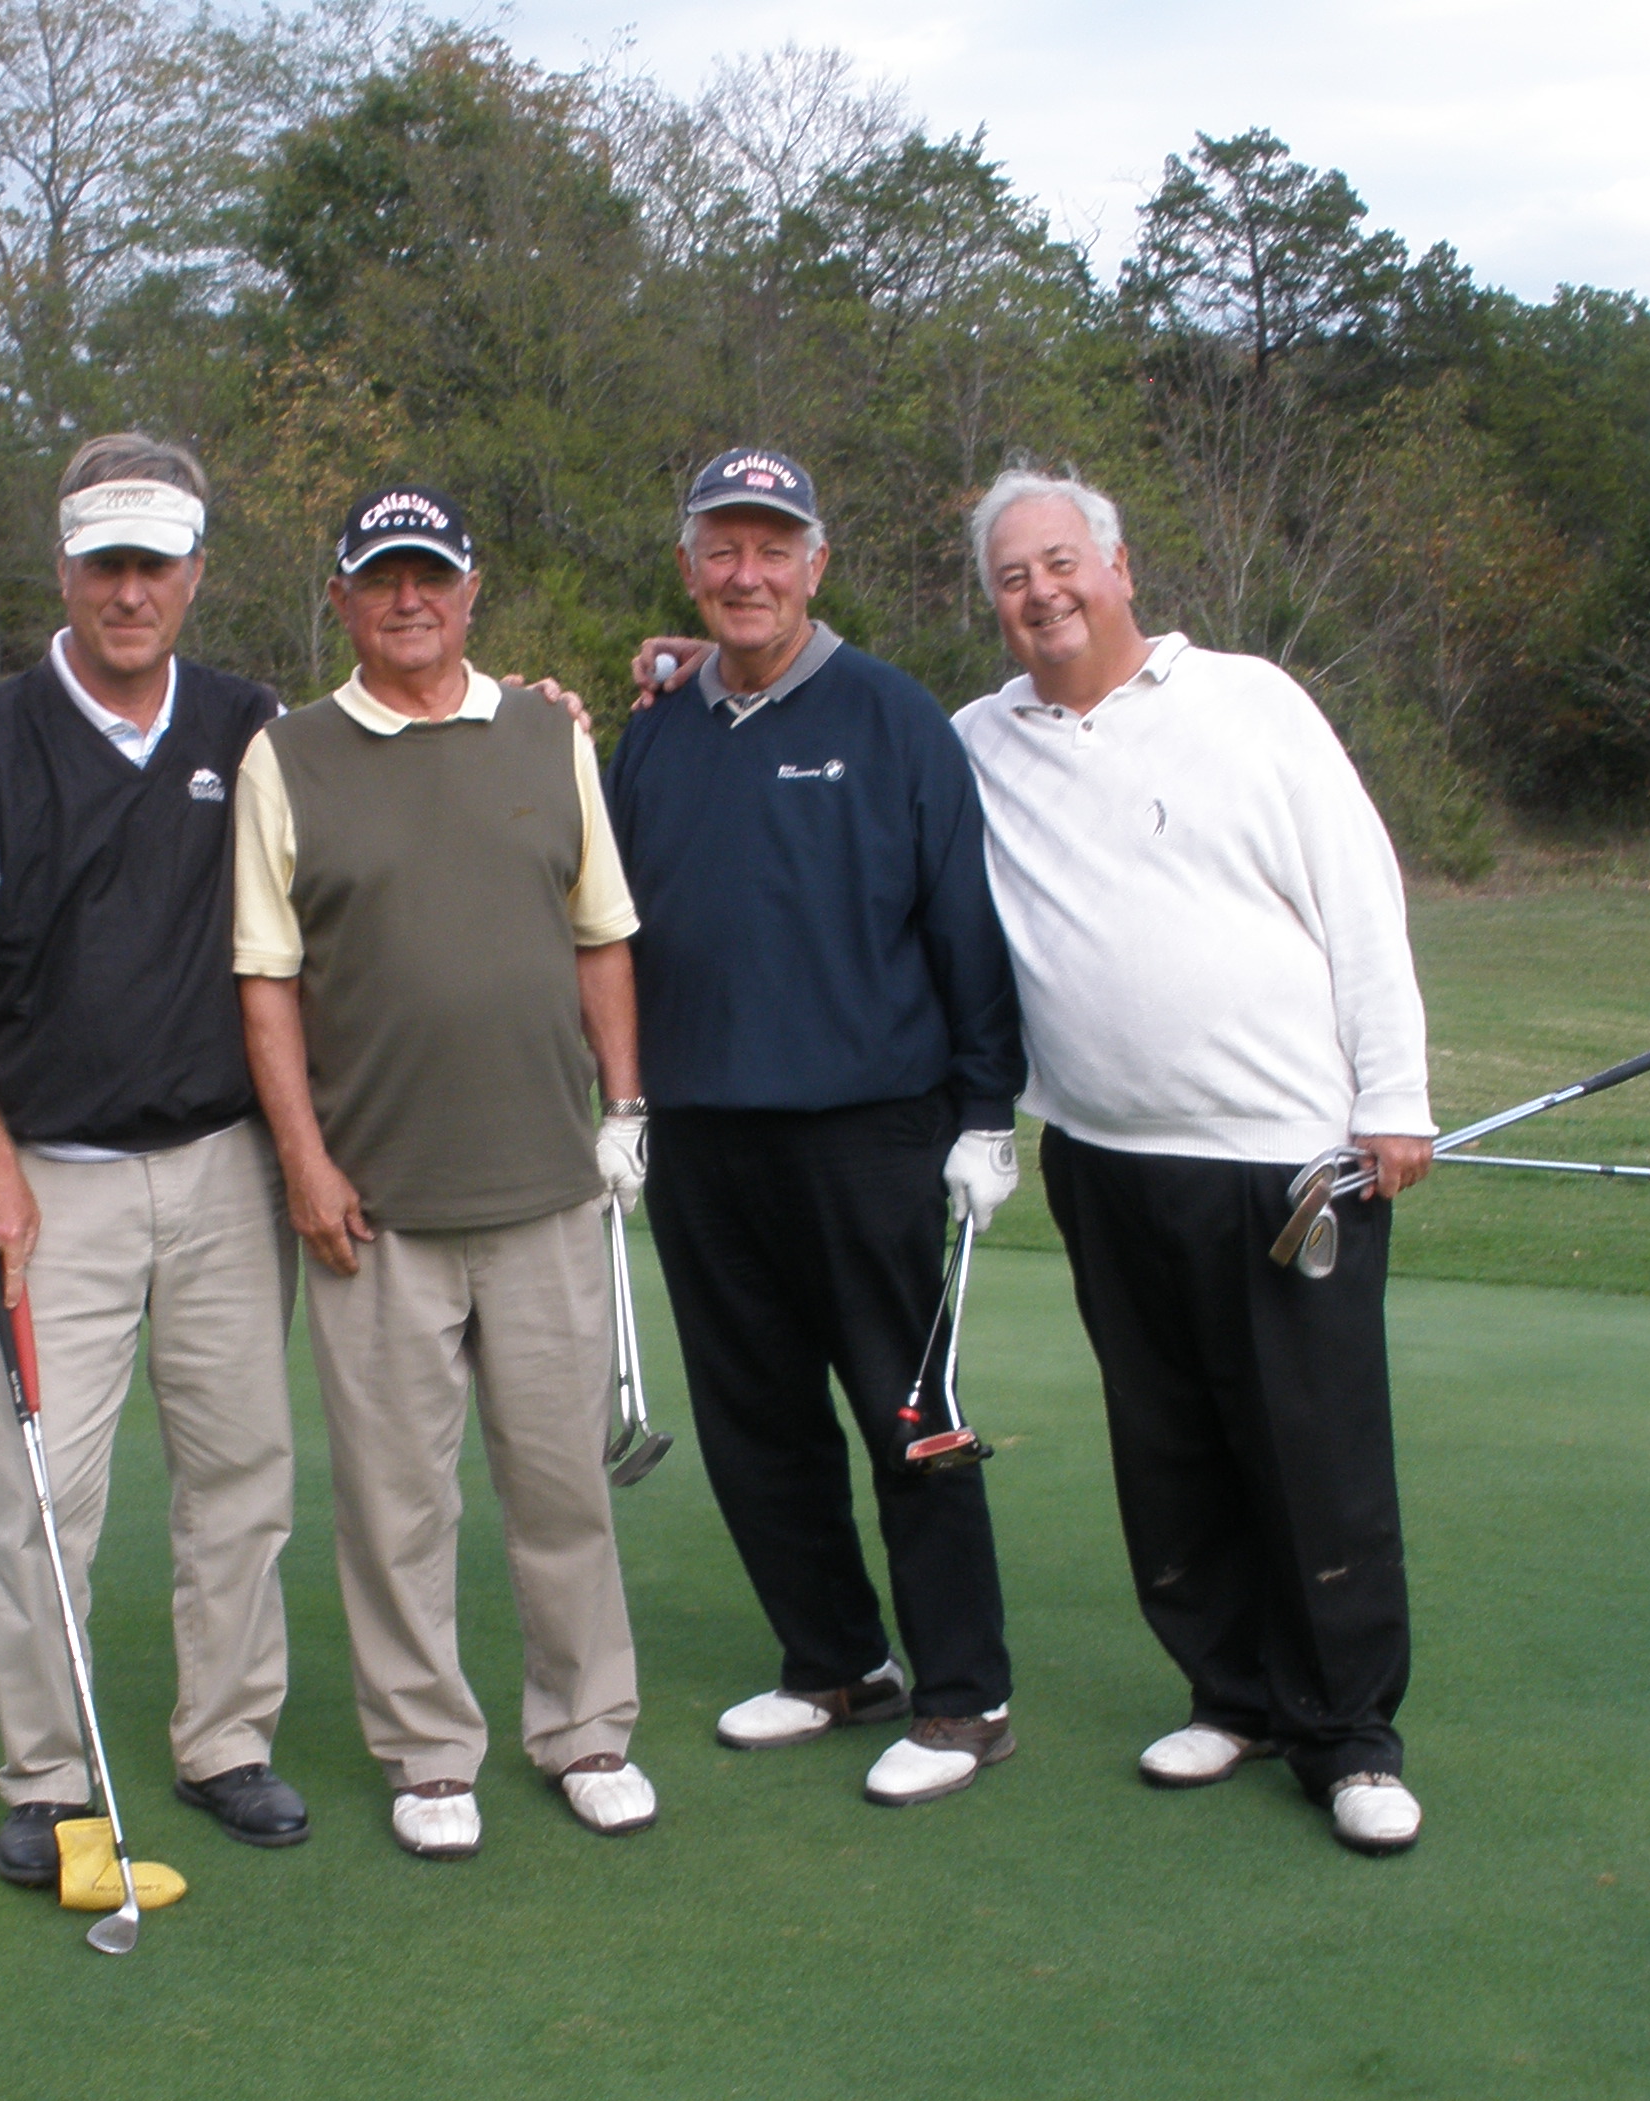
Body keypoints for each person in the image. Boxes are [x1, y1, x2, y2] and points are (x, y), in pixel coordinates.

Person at [953, 467, 1435, 1856]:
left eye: (1060, 563)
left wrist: (1393, 1096)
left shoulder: (1251, 699)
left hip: (1287, 1157)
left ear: (1117, 566)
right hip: (1103, 1157)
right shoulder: (979, 741)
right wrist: (689, 665)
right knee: (1168, 1448)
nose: (1040, 594)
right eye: (1011, 578)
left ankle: (1347, 1735)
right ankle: (1231, 1694)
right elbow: (852, 746)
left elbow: (1361, 890)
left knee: (1316, 1457)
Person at [0, 431, 315, 1884]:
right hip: (45, 1182)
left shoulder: (255, 727)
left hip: (223, 1169)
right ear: (63, 570)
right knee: (38, 1497)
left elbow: (383, 801)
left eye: (156, 564)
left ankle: (225, 1743)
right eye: (103, 564)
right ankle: (50, 1779)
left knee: (242, 1470)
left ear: (196, 573)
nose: (130, 592)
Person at [231, 483, 656, 1860]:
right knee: (397, 1501)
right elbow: (268, 982)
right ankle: (427, 1754)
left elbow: (602, 935)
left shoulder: (549, 731)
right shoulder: (285, 756)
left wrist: (627, 1105)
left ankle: (585, 1727)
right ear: (343, 599)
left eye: (432, 576)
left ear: (470, 591)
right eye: (379, 579)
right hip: (376, 1207)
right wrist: (304, 1161)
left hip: (543, 1186)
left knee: (559, 1487)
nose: (407, 599)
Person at [608, 448, 1027, 1807]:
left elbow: (965, 930)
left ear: (816, 565)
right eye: (722, 548)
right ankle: (838, 1662)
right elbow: (611, 928)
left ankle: (967, 1696)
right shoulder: (658, 726)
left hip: (871, 1133)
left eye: (772, 548)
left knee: (912, 1419)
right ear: (690, 567)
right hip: (705, 1137)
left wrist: (984, 1111)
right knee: (754, 1422)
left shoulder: (895, 719)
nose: (747, 573)